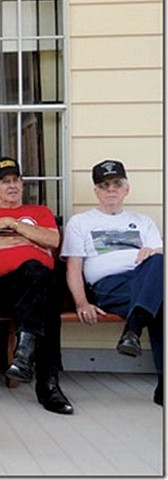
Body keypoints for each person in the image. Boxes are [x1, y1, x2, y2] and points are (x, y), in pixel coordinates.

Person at [0, 156, 73, 415]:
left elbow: (51, 239)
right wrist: (28, 243)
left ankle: (26, 353)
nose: (12, 186)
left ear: (22, 185)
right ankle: (47, 384)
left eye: (16, 180)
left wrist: (10, 224)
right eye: (5, 181)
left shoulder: (40, 212)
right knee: (38, 274)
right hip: (1, 289)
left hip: (38, 286)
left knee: (39, 281)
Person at [61, 159, 163, 405]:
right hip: (108, 287)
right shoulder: (81, 222)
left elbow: (158, 261)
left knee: (161, 264)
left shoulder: (144, 221)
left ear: (126, 189)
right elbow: (74, 267)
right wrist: (82, 302)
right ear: (96, 191)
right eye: (104, 185)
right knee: (160, 302)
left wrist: (152, 253)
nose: (111, 190)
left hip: (142, 281)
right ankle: (162, 382)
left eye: (116, 184)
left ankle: (133, 329)